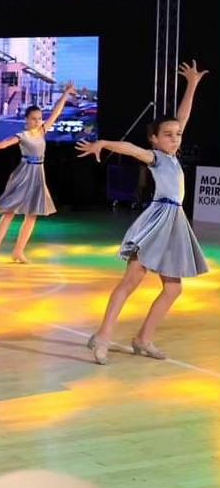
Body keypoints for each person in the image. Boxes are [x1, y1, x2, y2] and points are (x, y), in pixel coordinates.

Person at [76, 61, 209, 364]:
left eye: (177, 134)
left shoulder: (172, 155)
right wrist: (103, 143)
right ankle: (103, 336)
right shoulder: (156, 157)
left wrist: (192, 85)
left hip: (175, 224)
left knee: (173, 289)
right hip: (157, 222)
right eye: (168, 135)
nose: (175, 138)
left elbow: (182, 117)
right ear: (154, 139)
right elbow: (130, 149)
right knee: (131, 281)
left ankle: (143, 339)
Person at [0, 82, 75, 264]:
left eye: (39, 118)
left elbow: (56, 112)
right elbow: (4, 144)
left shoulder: (42, 131)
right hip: (24, 175)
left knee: (32, 215)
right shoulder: (22, 136)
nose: (38, 121)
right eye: (34, 118)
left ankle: (18, 252)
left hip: (38, 175)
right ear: (27, 119)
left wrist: (66, 93)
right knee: (9, 213)